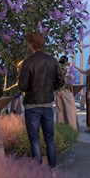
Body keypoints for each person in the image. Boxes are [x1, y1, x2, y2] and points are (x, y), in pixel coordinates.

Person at [18, 32, 66, 167]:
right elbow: (61, 81)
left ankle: (38, 173)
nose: (27, 44)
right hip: (47, 105)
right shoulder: (52, 60)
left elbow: (22, 86)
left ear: (31, 43)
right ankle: (53, 170)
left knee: (35, 141)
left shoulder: (28, 62)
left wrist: (20, 74)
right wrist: (50, 88)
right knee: (49, 140)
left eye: (28, 42)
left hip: (32, 106)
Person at [55, 56, 80, 135]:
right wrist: (71, 89)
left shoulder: (57, 69)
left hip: (58, 90)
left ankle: (61, 128)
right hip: (66, 90)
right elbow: (71, 81)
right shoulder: (68, 69)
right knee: (70, 110)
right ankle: (72, 129)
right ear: (66, 61)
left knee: (60, 110)